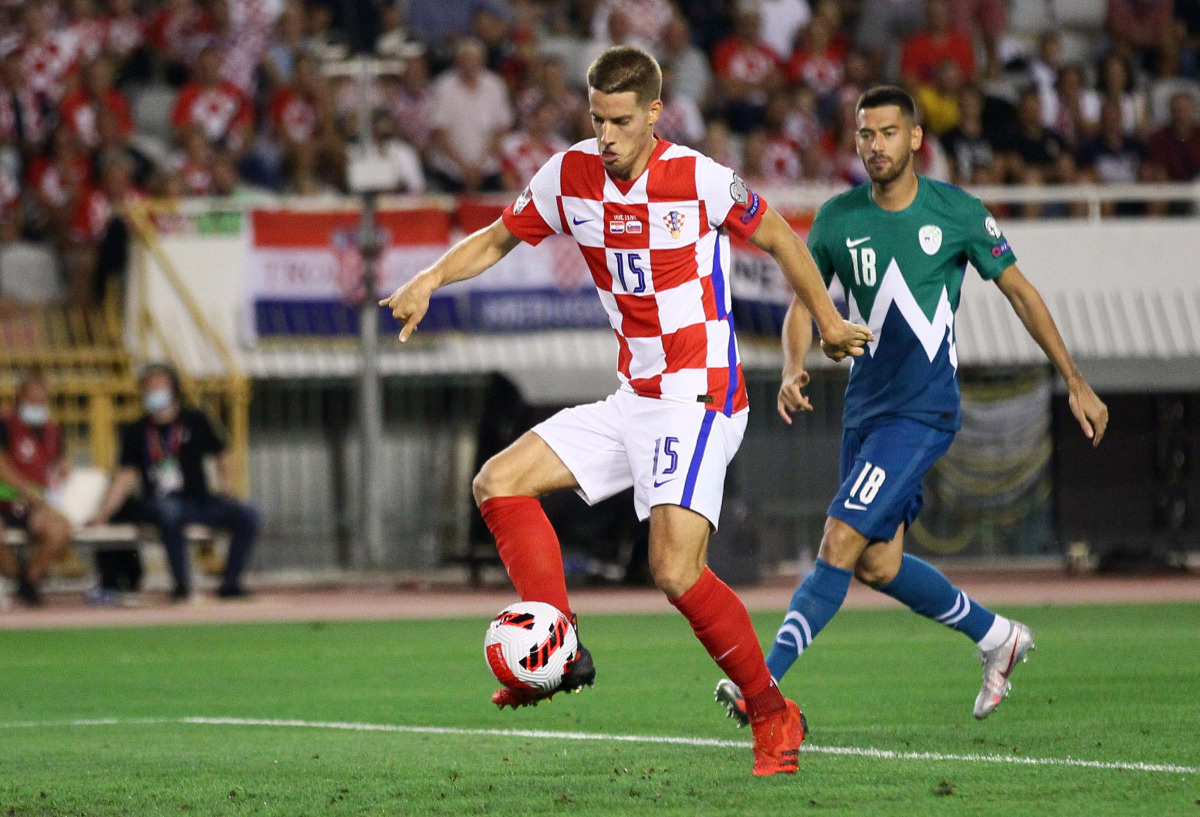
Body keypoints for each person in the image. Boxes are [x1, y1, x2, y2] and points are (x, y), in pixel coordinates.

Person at [381, 45, 871, 776]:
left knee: (673, 569)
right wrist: (429, 277)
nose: (604, 136)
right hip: (635, 396)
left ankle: (773, 712)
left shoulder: (699, 179)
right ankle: (557, 645)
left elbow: (777, 237)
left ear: (652, 113)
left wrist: (827, 322)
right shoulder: (568, 174)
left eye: (618, 121)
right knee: (497, 482)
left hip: (700, 397)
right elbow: (495, 239)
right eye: (595, 119)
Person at [713, 86, 1109, 728]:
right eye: (866, 134)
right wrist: (793, 365)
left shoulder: (957, 212)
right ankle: (997, 637)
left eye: (888, 133)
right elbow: (803, 302)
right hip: (865, 414)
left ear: (917, 139)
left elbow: (1022, 293)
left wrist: (1075, 379)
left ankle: (760, 685)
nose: (875, 145)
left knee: (838, 538)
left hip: (922, 411)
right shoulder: (839, 217)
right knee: (876, 561)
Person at [88, 363, 258, 601]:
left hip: (199, 501)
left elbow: (221, 453)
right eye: (148, 389)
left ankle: (230, 584)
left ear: (173, 389)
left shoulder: (195, 420)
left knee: (247, 515)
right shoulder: (136, 431)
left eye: (159, 388)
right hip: (158, 503)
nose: (153, 394)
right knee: (170, 512)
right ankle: (182, 585)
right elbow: (124, 476)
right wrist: (104, 513)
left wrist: (227, 488)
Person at [0, 375, 74, 606]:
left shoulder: (53, 430)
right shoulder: (4, 424)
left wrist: (62, 467)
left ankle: (30, 579)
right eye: (32, 400)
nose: (37, 406)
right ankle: (13, 573)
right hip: (5, 499)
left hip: (36, 503)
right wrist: (24, 489)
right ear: (19, 398)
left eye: (42, 401)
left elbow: (53, 462)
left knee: (60, 529)